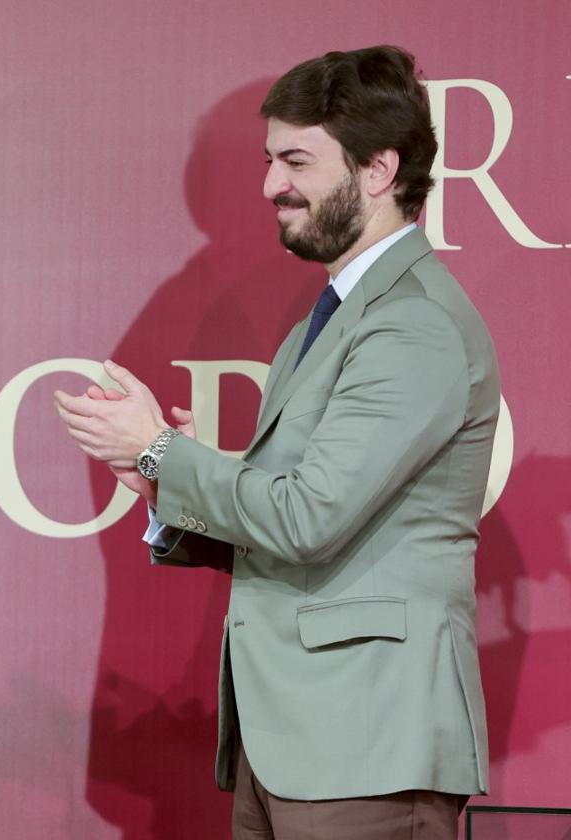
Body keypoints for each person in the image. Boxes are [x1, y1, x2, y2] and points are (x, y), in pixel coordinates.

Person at [55, 46, 497, 840]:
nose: (270, 185)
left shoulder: (412, 324)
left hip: (367, 744)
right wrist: (167, 488)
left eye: (296, 160)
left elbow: (309, 517)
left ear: (377, 170)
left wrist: (161, 449)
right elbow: (296, 526)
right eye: (270, 160)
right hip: (294, 742)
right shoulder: (325, 321)